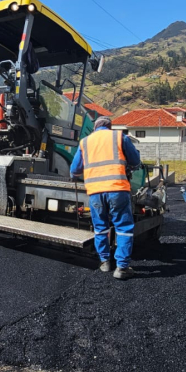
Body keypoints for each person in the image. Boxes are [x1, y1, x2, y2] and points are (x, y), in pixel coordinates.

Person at [70, 116, 142, 280]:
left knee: (100, 227)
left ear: (95, 128)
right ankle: (122, 267)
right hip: (117, 189)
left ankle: (104, 262)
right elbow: (135, 161)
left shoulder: (85, 142)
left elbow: (75, 169)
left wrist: (74, 176)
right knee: (123, 227)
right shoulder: (119, 136)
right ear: (109, 126)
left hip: (95, 191)